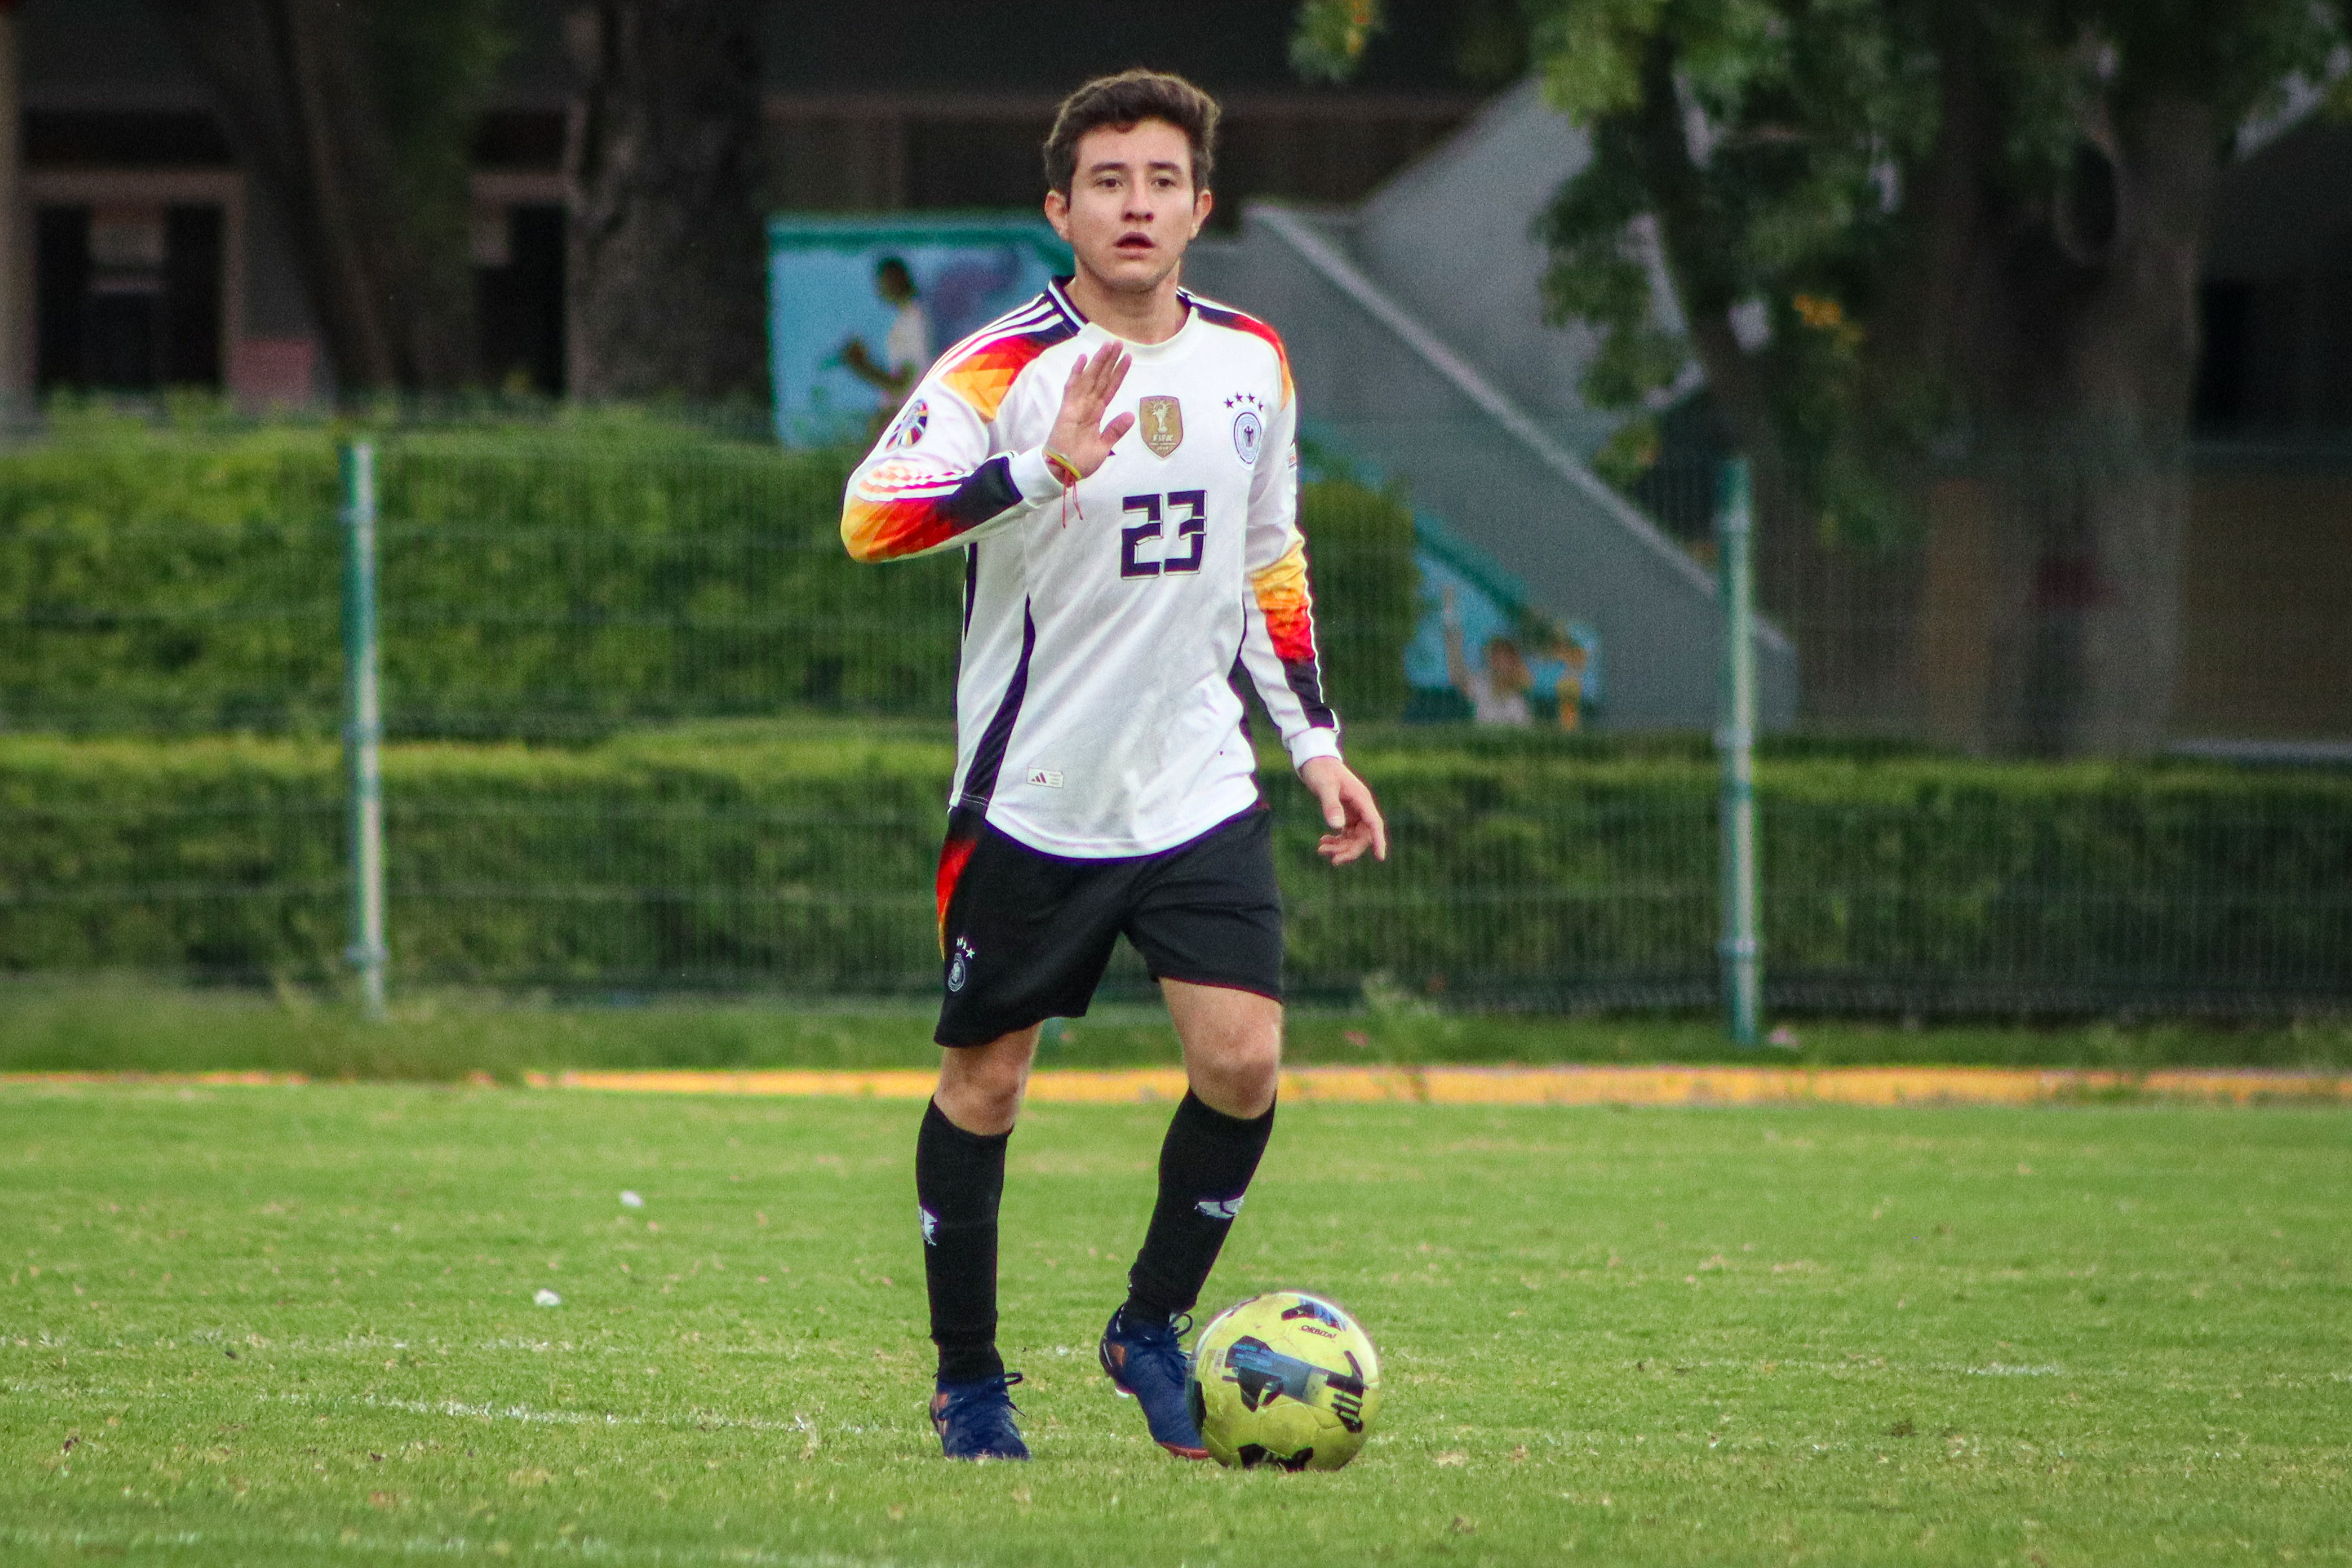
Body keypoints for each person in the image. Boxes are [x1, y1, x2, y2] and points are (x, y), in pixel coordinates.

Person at [839, 68, 1387, 1463]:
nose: (1134, 205)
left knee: (1243, 1061)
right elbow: (869, 518)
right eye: (1106, 182)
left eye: (1160, 181)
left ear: (1200, 207)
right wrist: (1037, 471)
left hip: (1198, 785)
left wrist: (1313, 741)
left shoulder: (1251, 359)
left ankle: (1148, 1323)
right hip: (1035, 797)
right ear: (1059, 210)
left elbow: (1268, 554)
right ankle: (969, 1380)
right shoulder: (1001, 367)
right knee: (986, 1086)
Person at [839, 257, 931, 425]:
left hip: (909, 417)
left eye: (884, 282)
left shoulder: (915, 320)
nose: (880, 289)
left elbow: (905, 387)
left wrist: (860, 365)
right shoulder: (905, 319)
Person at [1441, 584, 1534, 726]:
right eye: (1496, 655)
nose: (1500, 662)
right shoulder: (1482, 685)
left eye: (1506, 657)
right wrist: (1449, 614)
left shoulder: (1519, 703)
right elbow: (1457, 675)